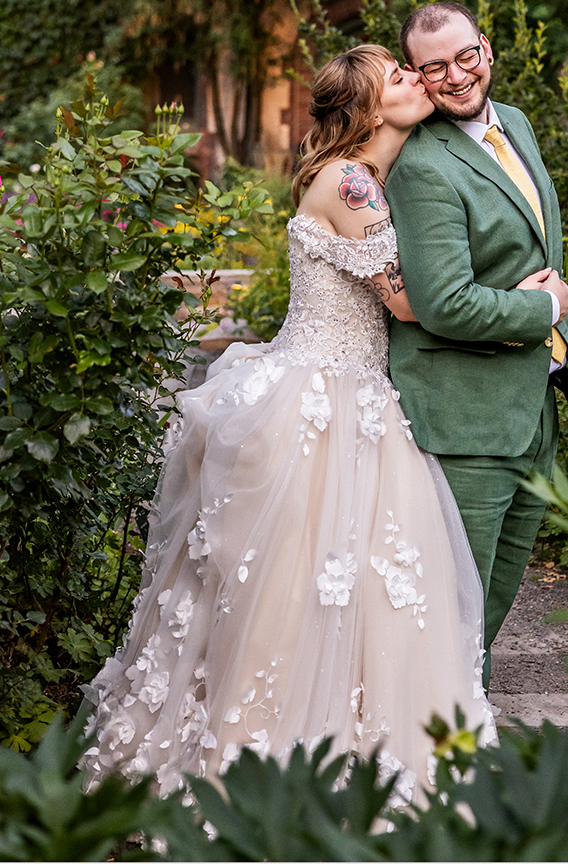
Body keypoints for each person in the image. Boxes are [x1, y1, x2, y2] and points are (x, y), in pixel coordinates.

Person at [82, 45, 508, 802]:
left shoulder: (354, 176)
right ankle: (282, 762)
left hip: (331, 383)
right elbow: (408, 301)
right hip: (328, 400)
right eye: (400, 76)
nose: (416, 80)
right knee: (312, 586)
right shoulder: (352, 182)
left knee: (325, 587)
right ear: (372, 108)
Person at [385, 2, 568, 689]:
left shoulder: (517, 125)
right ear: (415, 74)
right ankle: (432, 748)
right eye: (433, 66)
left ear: (487, 49)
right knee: (450, 606)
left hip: (531, 404)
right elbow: (442, 303)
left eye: (464, 55)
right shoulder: (420, 163)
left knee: (492, 602)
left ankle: (455, 724)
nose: (455, 75)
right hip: (465, 416)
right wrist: (544, 307)